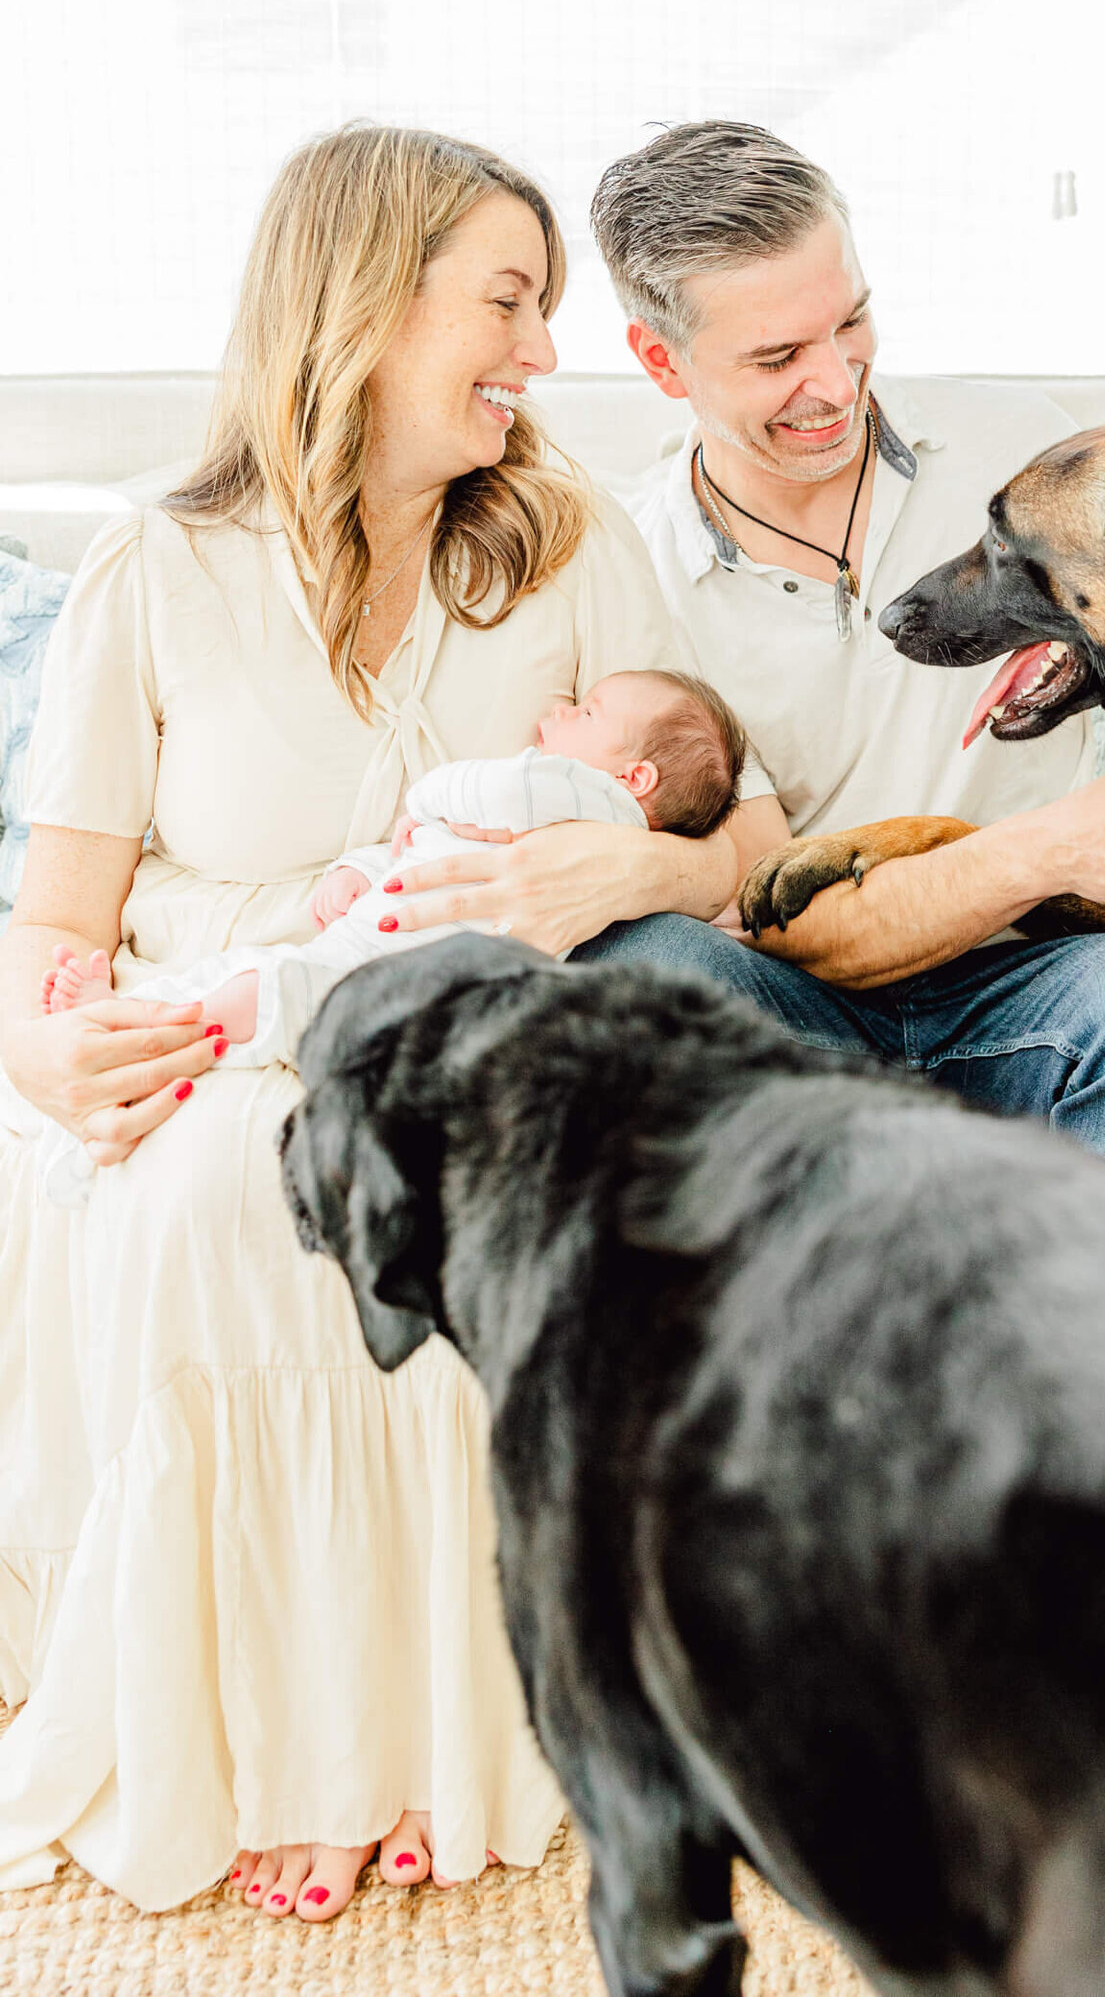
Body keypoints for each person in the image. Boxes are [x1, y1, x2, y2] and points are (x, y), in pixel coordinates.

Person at [0, 128, 762, 1923]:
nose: (541, 352)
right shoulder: (157, 577)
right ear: (361, 305)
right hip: (219, 1027)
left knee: (433, 1202)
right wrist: (37, 1049)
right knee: (209, 1207)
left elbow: (751, 823)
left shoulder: (567, 551)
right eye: (507, 301)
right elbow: (51, 924)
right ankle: (266, 1747)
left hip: (479, 1033)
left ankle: (412, 1744)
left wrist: (631, 880)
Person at [379, 119, 1105, 1207]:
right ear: (661, 362)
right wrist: (1039, 851)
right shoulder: (628, 565)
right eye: (775, 358)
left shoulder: (1017, 452)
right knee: (639, 971)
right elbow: (762, 904)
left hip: (1046, 971)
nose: (837, 384)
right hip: (791, 1001)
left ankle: (1086, 1353)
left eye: (849, 323)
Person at [22, 670, 745, 1197]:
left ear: (638, 776)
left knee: (264, 990)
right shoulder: (566, 817)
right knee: (262, 976)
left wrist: (427, 796)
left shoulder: (586, 799)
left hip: (396, 970)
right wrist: (359, 868)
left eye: (586, 712)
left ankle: (140, 1031)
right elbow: (419, 855)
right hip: (391, 952)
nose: (559, 709)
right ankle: (131, 1032)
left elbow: (481, 793)